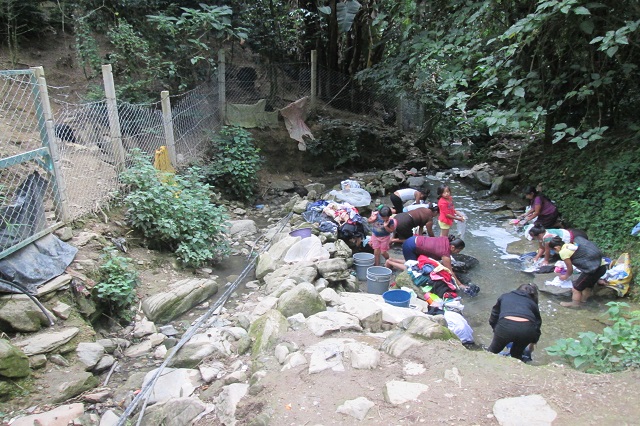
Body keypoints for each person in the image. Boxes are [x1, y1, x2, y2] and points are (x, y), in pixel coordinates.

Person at [385, 235, 467, 288]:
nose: (458, 253)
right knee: (412, 268)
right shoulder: (445, 255)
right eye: (458, 250)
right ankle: (390, 262)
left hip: (414, 240)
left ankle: (392, 259)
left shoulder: (446, 239)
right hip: (410, 246)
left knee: (415, 262)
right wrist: (460, 284)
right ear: (452, 247)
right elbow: (450, 271)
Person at [549, 235, 608, 308]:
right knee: (588, 286)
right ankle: (584, 302)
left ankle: (575, 304)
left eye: (554, 250)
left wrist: (565, 276)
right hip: (602, 267)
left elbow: (569, 268)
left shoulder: (563, 252)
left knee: (576, 288)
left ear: (556, 248)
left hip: (592, 270)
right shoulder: (570, 245)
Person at [488, 284, 542, 361]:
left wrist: (496, 330)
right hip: (526, 331)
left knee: (492, 351)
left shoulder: (505, 296)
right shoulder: (532, 303)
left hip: (505, 327)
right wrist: (533, 342)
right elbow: (537, 325)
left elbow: (494, 315)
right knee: (516, 355)